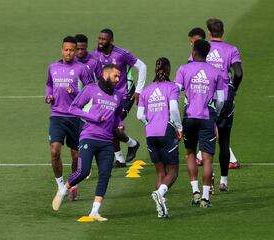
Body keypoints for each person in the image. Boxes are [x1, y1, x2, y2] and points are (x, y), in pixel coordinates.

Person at [52, 64, 124, 222]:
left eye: (119, 76)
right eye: (115, 76)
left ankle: (95, 212)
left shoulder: (118, 96)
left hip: (106, 141)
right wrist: (94, 117)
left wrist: (119, 124)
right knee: (83, 172)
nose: (118, 80)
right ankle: (63, 190)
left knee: (105, 174)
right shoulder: (91, 89)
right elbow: (73, 108)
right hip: (89, 137)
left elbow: (117, 115)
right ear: (106, 75)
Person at [174, 40, 224, 208]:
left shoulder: (183, 69)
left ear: (194, 53)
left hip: (189, 117)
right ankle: (205, 198)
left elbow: (175, 91)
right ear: (207, 54)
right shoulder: (216, 72)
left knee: (190, 153)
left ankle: (194, 191)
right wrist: (214, 115)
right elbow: (222, 100)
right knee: (207, 159)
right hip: (207, 118)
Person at [45, 36, 92, 202]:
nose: (69, 53)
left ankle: (73, 183)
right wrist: (48, 96)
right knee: (54, 150)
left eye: (72, 50)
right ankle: (60, 185)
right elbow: (49, 84)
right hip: (57, 115)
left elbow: (91, 89)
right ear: (62, 50)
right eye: (66, 50)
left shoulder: (81, 69)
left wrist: (77, 95)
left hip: (75, 117)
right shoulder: (53, 67)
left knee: (75, 156)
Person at [93, 28, 147, 167]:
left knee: (111, 124)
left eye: (104, 39)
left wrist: (139, 91)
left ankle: (132, 144)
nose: (100, 41)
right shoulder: (96, 53)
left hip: (125, 95)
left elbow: (142, 67)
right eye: (99, 38)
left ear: (111, 40)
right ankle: (120, 159)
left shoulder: (122, 54)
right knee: (109, 125)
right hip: (108, 96)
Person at [137, 57, 182, 218]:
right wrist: (179, 127)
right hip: (166, 132)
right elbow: (174, 109)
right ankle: (160, 193)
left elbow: (139, 115)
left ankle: (161, 208)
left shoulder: (146, 91)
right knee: (173, 171)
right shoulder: (172, 88)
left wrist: (149, 123)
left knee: (160, 173)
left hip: (150, 134)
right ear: (169, 70)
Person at [205, 18, 243, 191]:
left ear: (209, 32)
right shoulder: (231, 50)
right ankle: (224, 181)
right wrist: (232, 89)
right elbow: (238, 73)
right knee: (225, 141)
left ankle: (208, 179)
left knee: (207, 140)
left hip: (205, 98)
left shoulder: (201, 48)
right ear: (223, 31)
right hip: (225, 97)